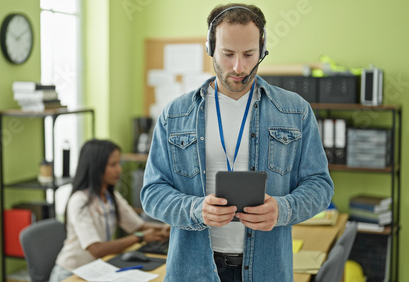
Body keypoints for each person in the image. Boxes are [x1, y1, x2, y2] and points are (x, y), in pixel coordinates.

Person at [140, 3, 333, 282]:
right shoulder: (176, 114)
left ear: (262, 50)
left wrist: (283, 209)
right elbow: (152, 193)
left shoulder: (295, 111)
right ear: (210, 48)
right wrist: (197, 210)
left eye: (249, 54)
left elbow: (320, 186)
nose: (238, 67)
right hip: (194, 270)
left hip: (267, 270)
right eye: (228, 54)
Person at [50, 139, 169, 282]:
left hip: (97, 269)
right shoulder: (79, 201)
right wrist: (140, 237)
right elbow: (96, 249)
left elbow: (138, 226)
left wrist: (165, 228)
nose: (119, 169)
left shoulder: (109, 195)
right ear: (96, 167)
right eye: (113, 164)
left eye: (119, 163)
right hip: (71, 274)